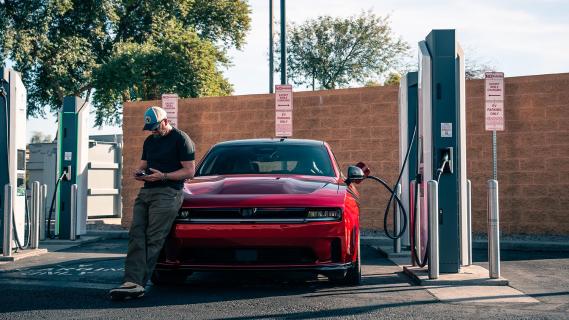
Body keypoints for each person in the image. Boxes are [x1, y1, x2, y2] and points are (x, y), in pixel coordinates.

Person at [109, 106, 195, 300]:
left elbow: (189, 171)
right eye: (151, 128)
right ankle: (130, 282)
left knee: (153, 239)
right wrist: (139, 173)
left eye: (156, 127)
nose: (154, 131)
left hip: (169, 193)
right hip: (147, 191)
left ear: (165, 121)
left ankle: (138, 283)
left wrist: (163, 176)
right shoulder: (150, 141)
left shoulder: (181, 139)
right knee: (135, 235)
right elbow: (143, 165)